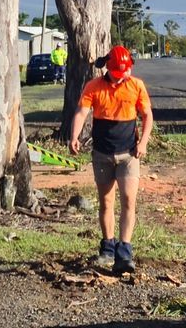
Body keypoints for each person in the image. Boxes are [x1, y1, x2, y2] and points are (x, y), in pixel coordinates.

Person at [70, 44, 154, 275]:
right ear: (108, 68)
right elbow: (81, 112)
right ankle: (108, 247)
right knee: (106, 201)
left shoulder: (136, 86)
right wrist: (74, 136)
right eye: (118, 73)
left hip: (129, 154)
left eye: (125, 72)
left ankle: (125, 250)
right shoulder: (94, 86)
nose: (121, 77)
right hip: (102, 154)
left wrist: (143, 142)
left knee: (129, 200)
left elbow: (147, 116)